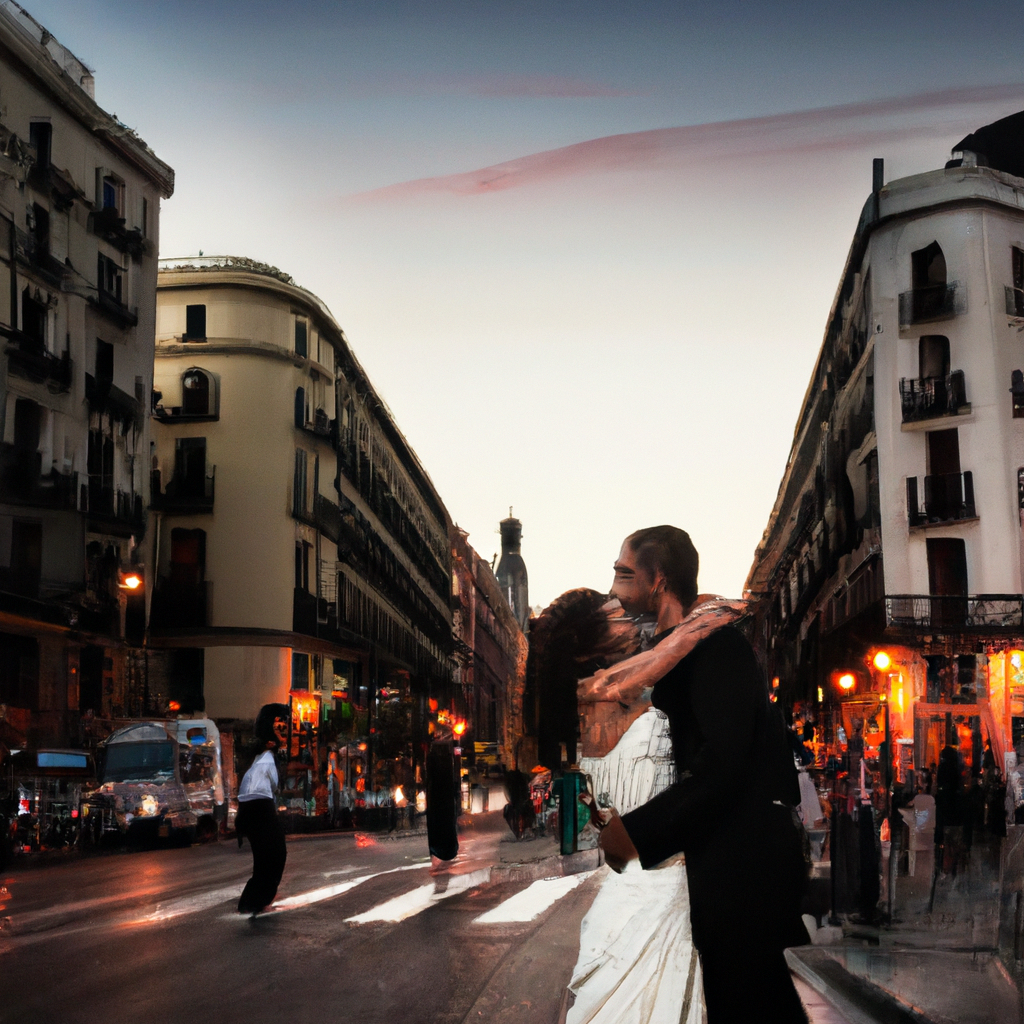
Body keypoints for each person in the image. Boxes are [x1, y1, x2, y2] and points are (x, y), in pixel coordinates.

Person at [590, 526, 810, 1024]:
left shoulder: (717, 649)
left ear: (658, 581)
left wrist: (637, 833)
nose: (615, 590)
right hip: (730, 874)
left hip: (745, 876)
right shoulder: (684, 651)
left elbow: (723, 769)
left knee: (752, 1007)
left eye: (625, 575)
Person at [533, 588, 740, 1024]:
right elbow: (674, 646)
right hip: (664, 887)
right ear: (598, 642)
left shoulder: (594, 702)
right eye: (617, 613)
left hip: (633, 887)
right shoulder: (603, 690)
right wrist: (700, 618)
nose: (628, 614)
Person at [235, 703, 289, 916]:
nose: (284, 729)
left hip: (254, 807)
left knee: (268, 856)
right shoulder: (264, 759)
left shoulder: (263, 758)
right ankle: (253, 902)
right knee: (274, 854)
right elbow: (272, 786)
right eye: (279, 725)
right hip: (258, 806)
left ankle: (254, 901)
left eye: (285, 725)